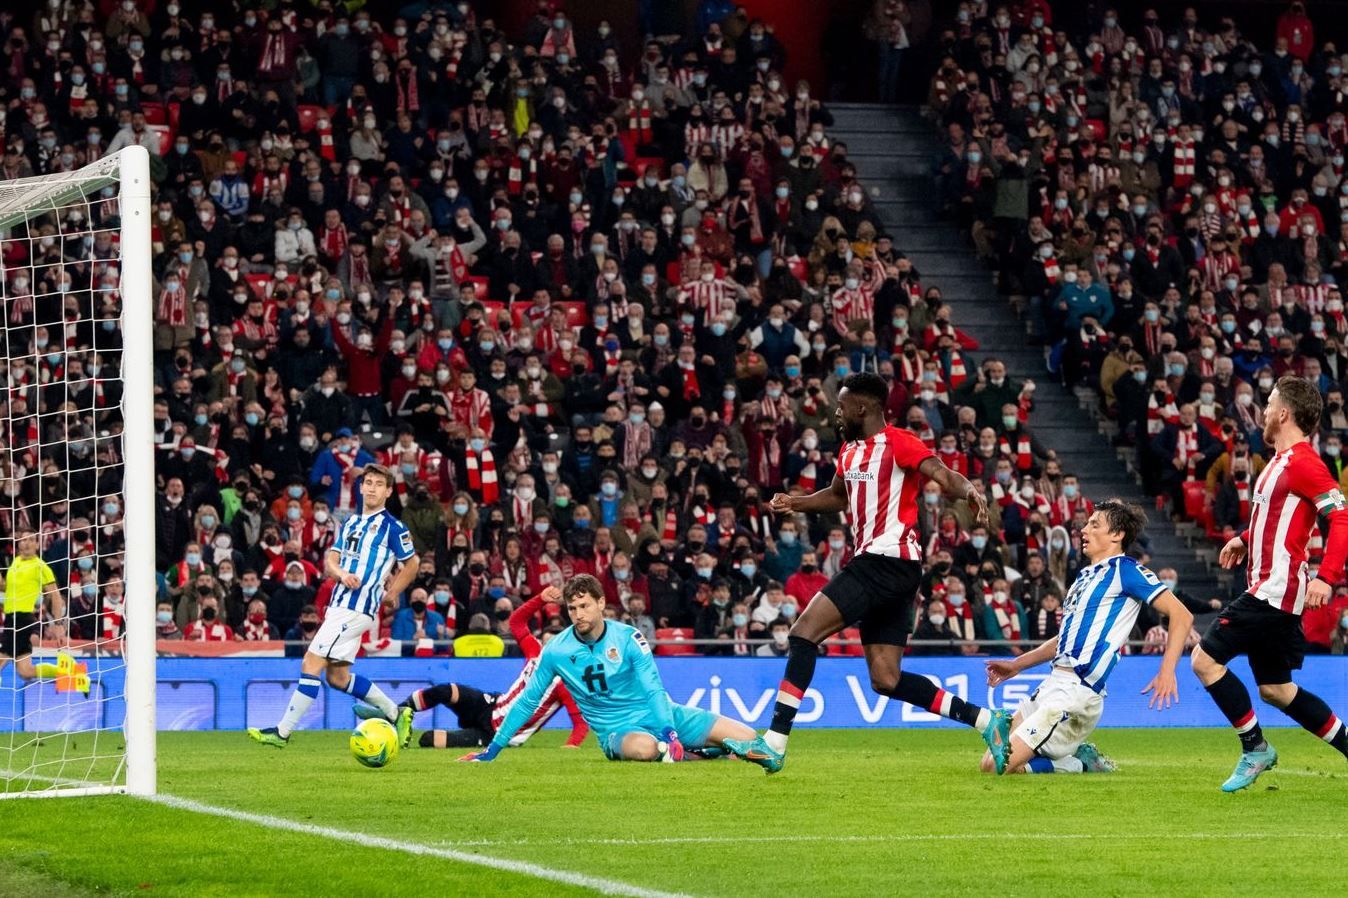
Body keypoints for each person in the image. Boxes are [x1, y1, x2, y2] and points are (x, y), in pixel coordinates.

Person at [738, 373, 1009, 774]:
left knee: (802, 633)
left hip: (886, 560)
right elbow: (837, 496)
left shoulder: (899, 442)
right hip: (891, 568)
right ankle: (988, 721)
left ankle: (774, 742)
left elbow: (942, 474)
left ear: (862, 408)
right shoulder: (849, 451)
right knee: (886, 679)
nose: (837, 412)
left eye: (842, 406)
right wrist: (795, 503)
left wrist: (969, 490)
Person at [1194, 377, 1348, 791]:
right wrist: (1244, 539)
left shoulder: (1305, 463)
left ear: (1283, 414)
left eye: (1269, 404)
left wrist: (1328, 578)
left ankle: (1255, 747)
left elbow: (1342, 518)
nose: (1263, 411)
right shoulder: (1277, 465)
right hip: (1272, 589)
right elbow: (1278, 522)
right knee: (1277, 690)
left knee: (1204, 661)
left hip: (1273, 591)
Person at [459, 574, 771, 766]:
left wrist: (669, 728)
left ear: (601, 604)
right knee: (645, 748)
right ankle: (699, 752)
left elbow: (653, 689)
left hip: (662, 715)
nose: (578, 615)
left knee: (748, 737)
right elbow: (528, 701)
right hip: (617, 733)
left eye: (584, 606)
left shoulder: (628, 638)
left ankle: (688, 748)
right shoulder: (556, 650)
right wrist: (493, 749)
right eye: (572, 608)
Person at [982, 501, 1193, 775]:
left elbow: (1182, 616)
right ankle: (1072, 757)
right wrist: (1017, 665)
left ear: (1116, 536)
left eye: (1094, 525)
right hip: (1050, 685)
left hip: (1076, 692)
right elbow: (1064, 639)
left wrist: (1167, 671)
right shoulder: (1084, 577)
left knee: (999, 767)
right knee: (987, 762)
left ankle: (1074, 763)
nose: (1084, 530)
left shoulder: (1126, 571)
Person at [249, 465, 417, 748]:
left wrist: (394, 591)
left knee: (310, 662)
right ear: (361, 487)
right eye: (369, 482)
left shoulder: (393, 527)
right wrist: (341, 575)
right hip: (339, 604)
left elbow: (412, 563)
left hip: (357, 608)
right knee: (338, 678)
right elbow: (331, 560)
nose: (373, 488)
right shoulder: (351, 523)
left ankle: (282, 732)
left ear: (388, 491)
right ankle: (395, 712)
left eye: (379, 484)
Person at [357, 587, 588, 749]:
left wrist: (571, 747)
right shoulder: (535, 652)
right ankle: (392, 713)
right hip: (490, 703)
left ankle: (395, 721)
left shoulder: (564, 683)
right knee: (445, 690)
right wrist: (540, 599)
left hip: (497, 733)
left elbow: (580, 724)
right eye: (545, 641)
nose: (545, 646)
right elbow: (517, 621)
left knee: (427, 740)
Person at [0, 531, 85, 693]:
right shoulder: (15, 563)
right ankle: (73, 673)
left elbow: (55, 595)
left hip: (22, 619)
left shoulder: (40, 566)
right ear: (18, 545)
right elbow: (8, 589)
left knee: (2, 659)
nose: (26, 543)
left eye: (31, 540)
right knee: (25, 672)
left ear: (38, 545)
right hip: (10, 620)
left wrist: (59, 623)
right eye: (23, 540)